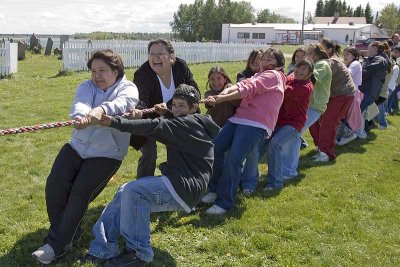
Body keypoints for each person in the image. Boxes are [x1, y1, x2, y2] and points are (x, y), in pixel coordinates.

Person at [78, 84, 220, 266]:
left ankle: (139, 253)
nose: (176, 109)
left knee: (133, 191)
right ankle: (103, 248)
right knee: (124, 191)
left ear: (194, 107)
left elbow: (154, 126)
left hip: (184, 187)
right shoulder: (196, 121)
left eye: (182, 106)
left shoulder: (186, 124)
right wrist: (167, 112)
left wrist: (113, 121)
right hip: (184, 185)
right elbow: (174, 122)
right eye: (174, 105)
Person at [31, 49, 139, 264]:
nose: (97, 75)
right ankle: (68, 233)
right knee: (55, 187)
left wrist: (101, 110)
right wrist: (82, 115)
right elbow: (80, 103)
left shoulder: (128, 88)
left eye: (102, 70)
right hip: (77, 147)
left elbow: (124, 103)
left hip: (107, 154)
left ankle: (56, 245)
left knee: (79, 194)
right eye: (93, 71)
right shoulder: (86, 86)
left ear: (116, 71)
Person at [201, 48, 286, 215]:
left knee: (234, 158)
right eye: (263, 58)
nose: (264, 61)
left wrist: (221, 99)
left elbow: (248, 89)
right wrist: (222, 93)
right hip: (239, 119)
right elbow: (241, 84)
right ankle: (214, 189)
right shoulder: (258, 75)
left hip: (256, 123)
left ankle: (224, 202)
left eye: (270, 58)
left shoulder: (274, 76)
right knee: (215, 147)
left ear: (278, 64)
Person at [131, 38, 199, 178]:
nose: (155, 57)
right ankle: (142, 186)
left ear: (171, 57)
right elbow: (142, 99)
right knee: (149, 154)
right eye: (151, 54)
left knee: (183, 149)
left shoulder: (180, 66)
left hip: (177, 117)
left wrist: (169, 107)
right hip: (150, 120)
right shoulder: (142, 73)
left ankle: (183, 180)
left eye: (160, 53)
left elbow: (194, 91)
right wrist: (138, 108)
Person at [281, 44, 331, 177]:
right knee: (293, 134)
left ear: (316, 54)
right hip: (308, 105)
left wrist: (291, 79)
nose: (306, 56)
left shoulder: (322, 65)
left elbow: (309, 78)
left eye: (309, 53)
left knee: (293, 134)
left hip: (314, 106)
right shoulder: (314, 64)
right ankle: (286, 168)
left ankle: (289, 171)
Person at [264, 59, 314, 190]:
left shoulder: (305, 88)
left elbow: (284, 91)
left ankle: (275, 183)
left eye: (304, 69)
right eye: (298, 67)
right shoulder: (292, 79)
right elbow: (287, 79)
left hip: (293, 124)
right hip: (279, 121)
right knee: (262, 144)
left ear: (309, 74)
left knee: (275, 145)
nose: (299, 71)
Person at [309, 39, 356, 162]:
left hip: (342, 94)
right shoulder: (326, 61)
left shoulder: (331, 62)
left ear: (329, 50)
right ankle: (322, 147)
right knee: (318, 121)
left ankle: (326, 153)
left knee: (328, 122)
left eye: (322, 47)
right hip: (334, 95)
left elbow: (317, 78)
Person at [337, 46, 365, 145]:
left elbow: (348, 73)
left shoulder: (355, 63)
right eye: (344, 54)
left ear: (354, 56)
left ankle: (350, 134)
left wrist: (339, 67)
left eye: (347, 54)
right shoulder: (350, 64)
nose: (344, 56)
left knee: (346, 116)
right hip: (349, 93)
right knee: (344, 115)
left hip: (353, 94)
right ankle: (341, 136)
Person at [359, 41, 388, 113]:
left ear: (375, 48)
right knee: (355, 115)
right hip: (367, 91)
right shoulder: (374, 59)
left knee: (353, 115)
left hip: (368, 92)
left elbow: (366, 71)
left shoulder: (379, 60)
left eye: (369, 48)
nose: (367, 50)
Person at [387, 45, 400, 113]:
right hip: (395, 82)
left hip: (396, 82)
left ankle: (388, 110)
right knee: (392, 96)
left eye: (396, 52)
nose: (394, 53)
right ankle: (394, 108)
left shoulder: (397, 61)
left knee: (390, 97)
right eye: (393, 52)